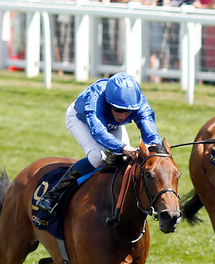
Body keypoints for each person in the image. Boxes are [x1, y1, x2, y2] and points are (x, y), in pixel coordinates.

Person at [34, 73, 162, 214]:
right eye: (118, 109)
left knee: (126, 160)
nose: (123, 116)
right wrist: (124, 147)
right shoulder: (95, 97)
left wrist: (154, 146)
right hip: (80, 120)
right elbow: (98, 131)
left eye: (128, 111)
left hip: (112, 125)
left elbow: (149, 128)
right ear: (108, 102)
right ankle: (54, 195)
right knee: (97, 157)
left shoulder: (138, 102)